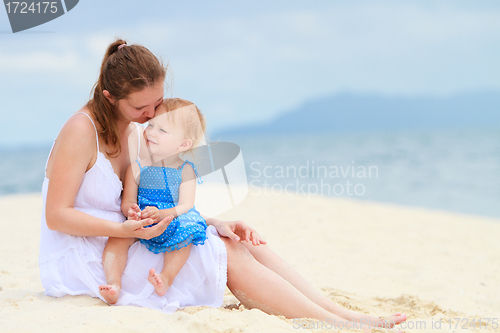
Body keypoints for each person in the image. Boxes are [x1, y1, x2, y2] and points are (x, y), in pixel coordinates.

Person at [40, 38, 407, 332]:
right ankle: (332, 323)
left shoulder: (137, 132)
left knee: (232, 239)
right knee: (223, 254)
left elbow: (160, 196)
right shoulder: (80, 130)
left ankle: (337, 311)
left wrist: (215, 222)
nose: (152, 115)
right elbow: (56, 216)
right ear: (109, 97)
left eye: (157, 104)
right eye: (142, 108)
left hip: (129, 233)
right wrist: (123, 227)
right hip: (90, 254)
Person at [99, 98, 209, 303]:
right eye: (151, 125)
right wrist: (131, 211)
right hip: (144, 221)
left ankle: (166, 277)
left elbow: (186, 206)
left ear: (184, 144)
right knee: (117, 238)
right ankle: (113, 283)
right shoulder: (136, 167)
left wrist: (162, 215)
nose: (151, 132)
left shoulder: (184, 170)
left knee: (187, 233)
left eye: (162, 130)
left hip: (171, 221)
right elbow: (128, 201)